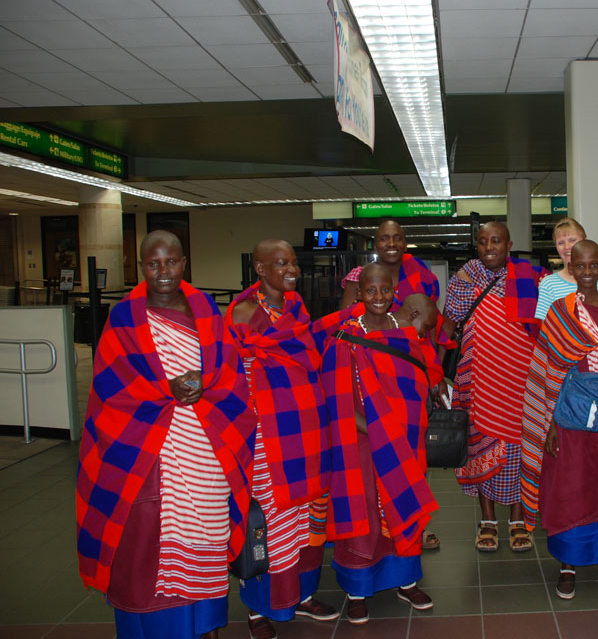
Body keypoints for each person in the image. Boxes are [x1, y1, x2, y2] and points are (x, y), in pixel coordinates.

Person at [76, 230, 257, 639]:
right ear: (141, 267)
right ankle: (157, 624)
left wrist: (205, 384)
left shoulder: (206, 310)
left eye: (171, 262)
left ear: (183, 262)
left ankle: (205, 621)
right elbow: (111, 388)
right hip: (147, 449)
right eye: (153, 264)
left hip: (205, 448)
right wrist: (164, 389)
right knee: (148, 541)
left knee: (207, 534)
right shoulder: (124, 316)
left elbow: (229, 374)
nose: (163, 271)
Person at [226, 240, 337, 638]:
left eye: (293, 262)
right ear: (259, 269)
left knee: (304, 516)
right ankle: (258, 608)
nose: (292, 270)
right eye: (281, 263)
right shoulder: (241, 314)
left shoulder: (295, 308)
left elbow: (307, 361)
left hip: (306, 433)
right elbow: (232, 383)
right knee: (268, 519)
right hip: (266, 438)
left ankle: (301, 596)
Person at [321, 264, 441, 625]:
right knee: (365, 509)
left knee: (402, 504)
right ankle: (358, 589)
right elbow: (336, 398)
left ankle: (406, 580)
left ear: (394, 292)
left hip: (402, 440)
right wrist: (375, 431)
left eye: (384, 290)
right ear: (359, 294)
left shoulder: (405, 334)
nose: (378, 297)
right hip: (360, 439)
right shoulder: (343, 336)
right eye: (370, 291)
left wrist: (401, 430)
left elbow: (415, 387)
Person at [521, 240, 598, 600]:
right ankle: (568, 564)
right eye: (580, 266)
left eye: (593, 266)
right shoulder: (559, 311)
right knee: (572, 486)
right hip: (570, 417)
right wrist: (550, 423)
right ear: (572, 267)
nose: (587, 273)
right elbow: (546, 369)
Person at [445, 221, 549, 553]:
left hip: (521, 380)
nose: (489, 247)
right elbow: (452, 318)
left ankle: (518, 521)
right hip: (480, 380)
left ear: (509, 244)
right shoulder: (464, 279)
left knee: (521, 448)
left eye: (496, 241)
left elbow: (549, 316)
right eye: (483, 241)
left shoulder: (532, 278)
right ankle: (487, 520)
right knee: (482, 448)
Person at [534, 217, 598, 320]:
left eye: (572, 240)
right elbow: (545, 327)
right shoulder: (548, 284)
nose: (567, 246)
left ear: (584, 241)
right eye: (561, 243)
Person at [339, 220, 439, 310]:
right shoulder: (359, 276)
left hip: (414, 331)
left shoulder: (420, 272)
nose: (392, 244)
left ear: (405, 246)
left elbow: (431, 317)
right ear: (375, 246)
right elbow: (344, 320)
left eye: (398, 238)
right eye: (384, 239)